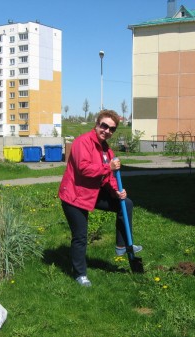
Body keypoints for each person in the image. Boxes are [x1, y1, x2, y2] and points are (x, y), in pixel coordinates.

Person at [58, 110, 142, 287]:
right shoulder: (83, 142)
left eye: (111, 129)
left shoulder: (106, 149)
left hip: (91, 193)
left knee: (125, 203)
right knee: (80, 236)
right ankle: (80, 274)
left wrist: (116, 192)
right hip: (74, 195)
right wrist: (108, 167)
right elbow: (84, 169)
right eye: (104, 126)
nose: (107, 131)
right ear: (96, 124)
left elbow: (110, 177)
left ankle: (122, 246)